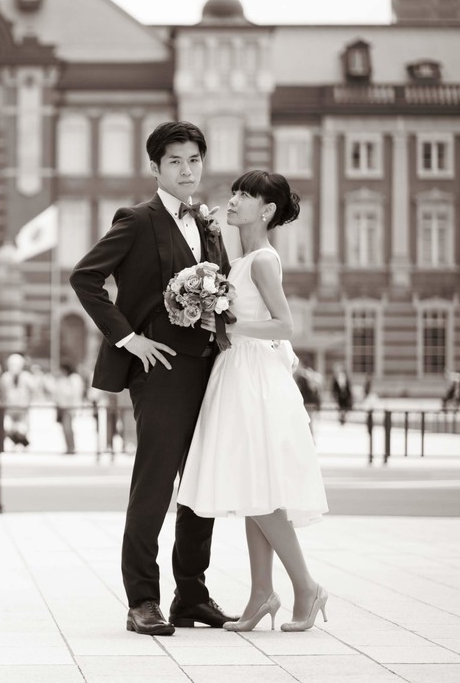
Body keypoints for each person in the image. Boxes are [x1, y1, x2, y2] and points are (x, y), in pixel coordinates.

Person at [70, 121, 237, 636]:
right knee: (155, 486)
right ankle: (142, 600)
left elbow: (223, 289)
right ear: (155, 168)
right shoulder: (137, 220)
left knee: (201, 485)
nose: (187, 171)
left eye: (194, 161)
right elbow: (85, 277)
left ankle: (192, 595)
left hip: (211, 368)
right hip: (159, 371)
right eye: (175, 162)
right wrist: (128, 339)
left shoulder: (209, 226)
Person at [177, 170, 329, 633]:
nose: (234, 199)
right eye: (235, 192)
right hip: (236, 370)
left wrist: (225, 324)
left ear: (266, 211)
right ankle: (262, 593)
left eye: (246, 195)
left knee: (257, 489)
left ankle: (306, 586)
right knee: (250, 488)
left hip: (253, 374)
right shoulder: (239, 261)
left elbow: (284, 326)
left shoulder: (262, 259)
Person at [54, 363, 84, 455]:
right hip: (64, 406)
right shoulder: (65, 379)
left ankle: (71, 448)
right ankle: (69, 447)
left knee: (68, 428)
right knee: (65, 428)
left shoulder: (74, 379)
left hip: (70, 407)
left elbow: (74, 393)